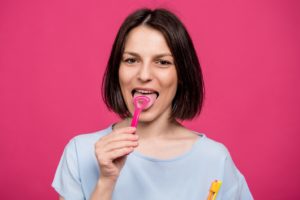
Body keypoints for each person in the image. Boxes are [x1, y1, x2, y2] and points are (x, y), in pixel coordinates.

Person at [52, 8, 253, 200]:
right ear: (117, 70)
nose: (144, 75)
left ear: (182, 74)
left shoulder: (215, 159)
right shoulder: (80, 152)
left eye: (163, 62)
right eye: (131, 60)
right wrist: (106, 180)